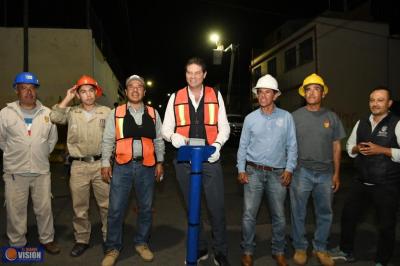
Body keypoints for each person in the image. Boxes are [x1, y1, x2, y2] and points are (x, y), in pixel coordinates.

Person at [162, 57, 231, 265]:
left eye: (197, 73)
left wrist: (217, 146)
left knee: (216, 207)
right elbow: (166, 129)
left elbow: (224, 126)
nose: (193, 76)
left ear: (204, 75)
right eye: (189, 73)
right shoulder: (175, 97)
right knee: (193, 209)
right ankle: (200, 248)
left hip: (210, 158)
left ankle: (220, 250)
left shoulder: (215, 95)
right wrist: (173, 137)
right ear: (185, 75)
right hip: (184, 161)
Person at [330, 87, 400, 266]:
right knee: (348, 216)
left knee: (386, 224)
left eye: (380, 100)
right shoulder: (362, 122)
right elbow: (350, 146)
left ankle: (382, 260)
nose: (375, 104)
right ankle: (346, 251)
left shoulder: (396, 123)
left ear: (389, 103)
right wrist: (357, 149)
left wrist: (381, 150)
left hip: (386, 184)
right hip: (361, 181)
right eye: (372, 100)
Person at [101, 74, 165, 266]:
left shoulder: (153, 114)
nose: (135, 89)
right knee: (115, 209)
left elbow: (159, 140)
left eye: (139, 87)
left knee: (145, 208)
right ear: (126, 91)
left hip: (147, 167)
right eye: (131, 87)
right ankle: (112, 248)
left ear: (144, 92)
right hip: (122, 167)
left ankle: (142, 243)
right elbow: (107, 140)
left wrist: (160, 162)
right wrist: (105, 162)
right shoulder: (116, 113)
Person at [237, 74, 297, 266]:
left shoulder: (287, 117)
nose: (263, 96)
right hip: (253, 172)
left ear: (275, 95)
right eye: (260, 92)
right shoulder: (250, 119)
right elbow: (243, 146)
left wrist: (289, 168)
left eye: (267, 92)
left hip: (278, 173)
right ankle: (247, 250)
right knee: (248, 215)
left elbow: (292, 145)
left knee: (279, 215)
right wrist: (241, 169)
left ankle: (278, 251)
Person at [50, 75, 111, 257]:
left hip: (102, 164)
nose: (88, 95)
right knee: (79, 207)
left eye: (91, 91)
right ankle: (82, 240)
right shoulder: (71, 112)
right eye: (83, 92)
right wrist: (67, 98)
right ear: (78, 94)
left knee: (107, 205)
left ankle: (109, 239)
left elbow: (114, 137)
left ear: (96, 93)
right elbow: (54, 117)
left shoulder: (107, 112)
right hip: (78, 166)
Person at [0, 72, 60, 254]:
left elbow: (52, 141)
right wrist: (18, 153)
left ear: (36, 91)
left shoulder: (47, 114)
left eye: (32, 88)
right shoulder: (5, 114)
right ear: (16, 91)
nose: (28, 92)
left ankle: (47, 239)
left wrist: (37, 152)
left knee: (44, 209)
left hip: (41, 170)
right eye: (24, 88)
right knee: (15, 210)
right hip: (15, 171)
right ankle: (17, 243)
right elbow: (2, 141)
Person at [290, 73, 346, 266]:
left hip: (326, 173)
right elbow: (288, 145)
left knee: (325, 212)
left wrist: (337, 173)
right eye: (308, 89)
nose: (312, 92)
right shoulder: (294, 117)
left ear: (323, 93)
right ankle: (299, 247)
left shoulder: (332, 117)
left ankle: (320, 248)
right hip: (301, 172)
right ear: (304, 93)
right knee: (298, 212)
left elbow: (337, 146)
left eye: (316, 89)